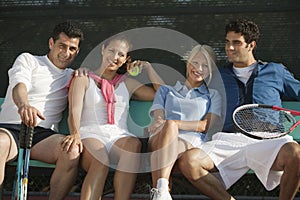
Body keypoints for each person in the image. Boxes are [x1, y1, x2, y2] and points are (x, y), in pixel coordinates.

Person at [178, 19, 300, 200]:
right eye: (227, 42)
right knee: (189, 162)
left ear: (251, 45)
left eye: (236, 43)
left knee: (296, 154)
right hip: (228, 140)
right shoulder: (217, 75)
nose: (229, 47)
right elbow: (185, 89)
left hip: (269, 139)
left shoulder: (275, 71)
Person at [67, 35, 163, 200]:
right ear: (103, 50)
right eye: (111, 51)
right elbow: (73, 111)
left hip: (118, 136)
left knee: (134, 145)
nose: (115, 57)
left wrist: (148, 68)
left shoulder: (127, 83)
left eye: (121, 54)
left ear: (127, 59)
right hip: (91, 134)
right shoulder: (83, 78)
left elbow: (162, 94)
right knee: (101, 158)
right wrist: (75, 133)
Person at [0, 21, 84, 200]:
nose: (66, 53)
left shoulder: (74, 76)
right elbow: (19, 86)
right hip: (10, 129)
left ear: (77, 51)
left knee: (72, 150)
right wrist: (24, 105)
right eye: (62, 46)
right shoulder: (28, 60)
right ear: (51, 43)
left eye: (72, 49)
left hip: (43, 135)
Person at [148, 44, 223, 200]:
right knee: (165, 135)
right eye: (195, 63)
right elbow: (158, 117)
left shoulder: (213, 95)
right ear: (187, 63)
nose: (199, 68)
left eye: (205, 65)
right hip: (160, 136)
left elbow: (204, 126)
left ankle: (160, 190)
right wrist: (163, 123)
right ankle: (162, 190)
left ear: (210, 71)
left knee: (160, 150)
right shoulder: (165, 90)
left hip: (191, 141)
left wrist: (174, 123)